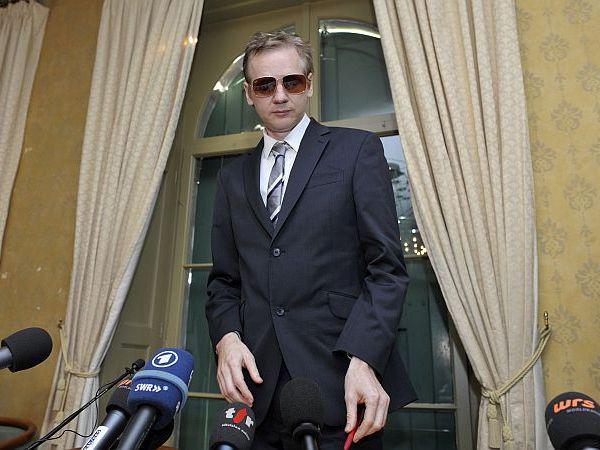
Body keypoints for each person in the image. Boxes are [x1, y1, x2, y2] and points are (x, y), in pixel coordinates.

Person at [206, 31, 416, 450]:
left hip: (344, 383)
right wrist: (226, 339)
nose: (280, 95)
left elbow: (386, 270)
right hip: (257, 394)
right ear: (248, 93)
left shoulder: (356, 150)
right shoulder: (232, 178)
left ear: (310, 84)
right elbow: (224, 282)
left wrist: (365, 358)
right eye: (265, 85)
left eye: (292, 81)